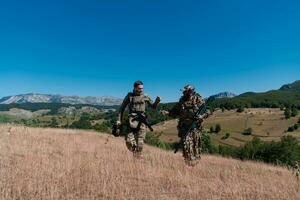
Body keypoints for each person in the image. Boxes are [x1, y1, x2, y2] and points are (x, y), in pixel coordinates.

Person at [162, 85, 208, 166]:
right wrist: (166, 113)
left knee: (196, 148)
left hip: (195, 128)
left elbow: (207, 110)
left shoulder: (198, 99)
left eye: (185, 91)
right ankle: (189, 164)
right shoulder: (182, 101)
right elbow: (174, 112)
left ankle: (196, 165)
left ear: (190, 91)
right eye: (183, 91)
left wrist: (201, 116)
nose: (183, 93)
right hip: (184, 128)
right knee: (186, 146)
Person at [115, 80, 160, 158]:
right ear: (135, 88)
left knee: (140, 143)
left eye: (142, 88)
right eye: (139, 88)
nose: (141, 90)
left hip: (142, 121)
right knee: (129, 141)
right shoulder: (129, 96)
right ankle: (136, 152)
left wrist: (157, 101)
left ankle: (138, 158)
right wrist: (118, 120)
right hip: (131, 121)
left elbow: (153, 106)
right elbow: (121, 109)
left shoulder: (145, 96)